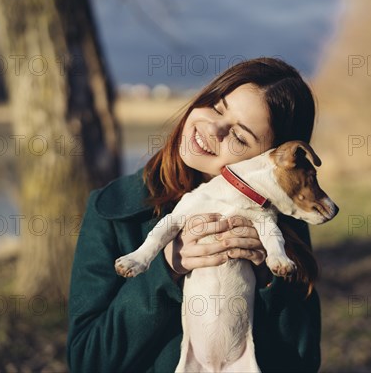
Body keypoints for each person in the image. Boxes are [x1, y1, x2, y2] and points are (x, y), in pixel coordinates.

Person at [66, 57, 321, 372]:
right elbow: (86, 360)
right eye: (216, 106)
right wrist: (165, 271)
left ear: (268, 161)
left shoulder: (280, 224)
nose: (214, 128)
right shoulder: (114, 209)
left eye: (240, 137)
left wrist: (267, 281)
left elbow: (303, 362)